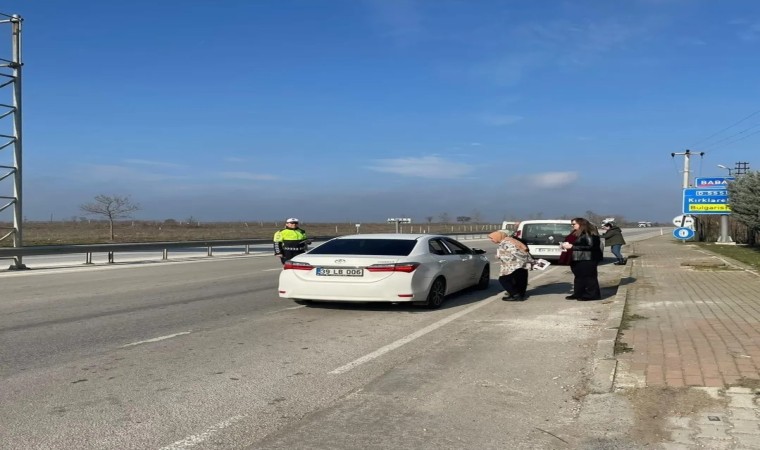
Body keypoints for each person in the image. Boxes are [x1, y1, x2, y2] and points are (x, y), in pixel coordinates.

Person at [560, 218, 602, 301]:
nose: (572, 226)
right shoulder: (575, 232)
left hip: (587, 258)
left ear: (581, 224)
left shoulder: (589, 233)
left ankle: (592, 295)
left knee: (589, 277)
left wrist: (573, 247)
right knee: (578, 277)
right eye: (571, 224)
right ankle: (578, 293)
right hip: (576, 258)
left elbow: (591, 246)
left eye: (574, 224)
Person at [488, 230, 534, 301]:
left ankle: (515, 295)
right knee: (520, 279)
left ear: (498, 237)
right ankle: (521, 293)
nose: (491, 240)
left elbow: (513, 253)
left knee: (503, 279)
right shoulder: (510, 240)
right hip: (521, 263)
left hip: (515, 264)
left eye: (492, 238)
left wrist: (500, 256)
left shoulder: (506, 243)